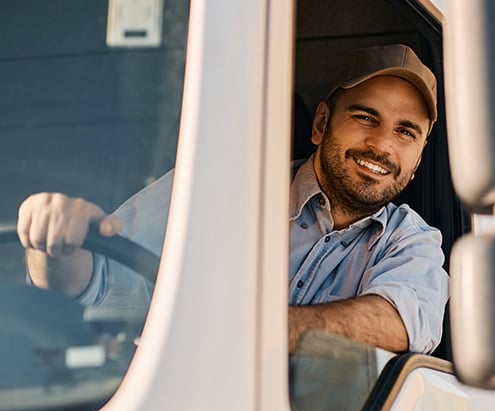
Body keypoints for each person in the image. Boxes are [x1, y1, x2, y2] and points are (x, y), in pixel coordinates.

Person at [16, 44, 448, 355]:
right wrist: (52, 243)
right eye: (364, 117)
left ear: (417, 159)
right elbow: (95, 280)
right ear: (320, 124)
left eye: (405, 132)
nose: (381, 145)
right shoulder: (217, 185)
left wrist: (234, 332)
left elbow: (399, 323)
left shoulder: (412, 242)